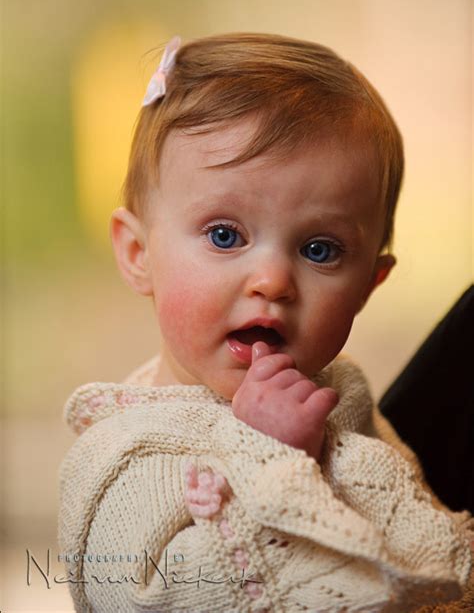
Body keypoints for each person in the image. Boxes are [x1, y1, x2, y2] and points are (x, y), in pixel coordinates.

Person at [58, 33, 472, 613]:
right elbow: (152, 601)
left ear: (368, 286)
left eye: (320, 250)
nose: (273, 281)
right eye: (225, 236)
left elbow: (423, 540)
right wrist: (268, 455)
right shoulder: (123, 456)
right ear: (137, 253)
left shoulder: (345, 397)